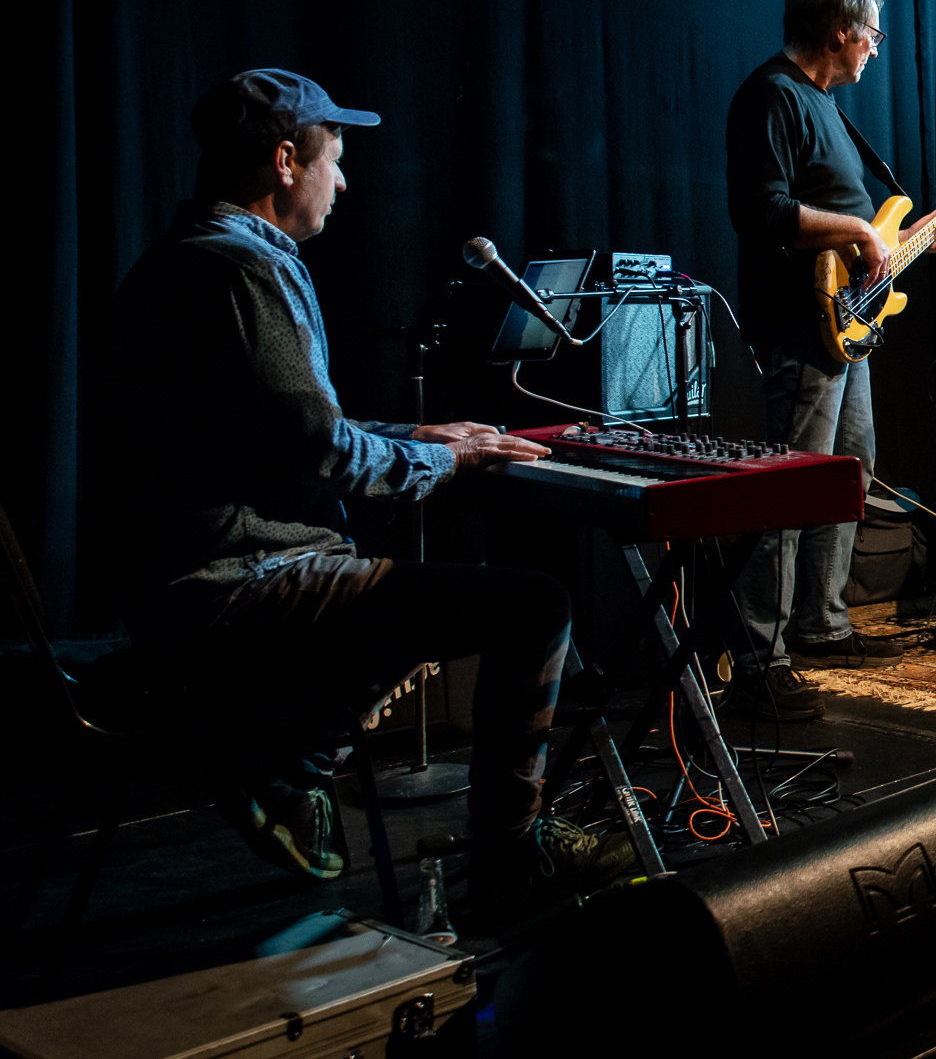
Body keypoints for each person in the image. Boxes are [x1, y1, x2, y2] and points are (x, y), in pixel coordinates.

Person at [108, 69, 632, 917]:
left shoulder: (173, 262)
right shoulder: (247, 271)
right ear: (286, 160)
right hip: (241, 592)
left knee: (400, 586)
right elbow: (320, 449)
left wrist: (417, 434)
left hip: (183, 587)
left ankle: (288, 767)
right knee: (534, 606)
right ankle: (506, 857)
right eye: (335, 160)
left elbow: (279, 431)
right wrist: (450, 463)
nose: (344, 182)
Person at [724, 0, 936, 717]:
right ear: (840, 32)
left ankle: (821, 625)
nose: (877, 50)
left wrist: (902, 239)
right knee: (791, 485)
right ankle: (758, 662)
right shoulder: (773, 94)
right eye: (873, 36)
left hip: (845, 326)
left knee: (850, 472)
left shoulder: (823, 103)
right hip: (802, 323)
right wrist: (859, 227)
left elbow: (863, 234)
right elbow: (762, 214)